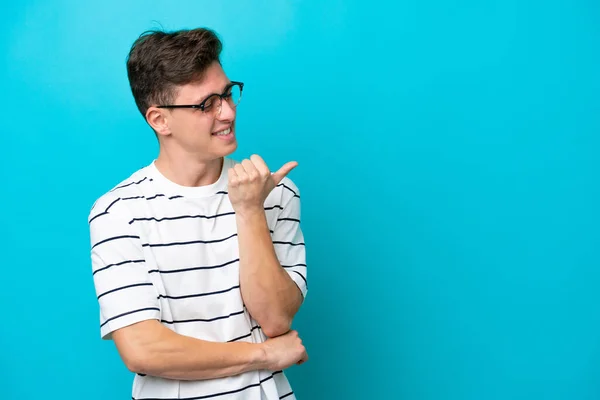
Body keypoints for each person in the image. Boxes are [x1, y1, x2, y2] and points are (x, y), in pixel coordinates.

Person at [87, 27, 309, 400]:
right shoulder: (117, 212)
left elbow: (276, 319)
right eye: (207, 104)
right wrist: (263, 355)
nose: (228, 112)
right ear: (160, 120)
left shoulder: (276, 193)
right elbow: (144, 349)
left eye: (228, 93)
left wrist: (250, 209)